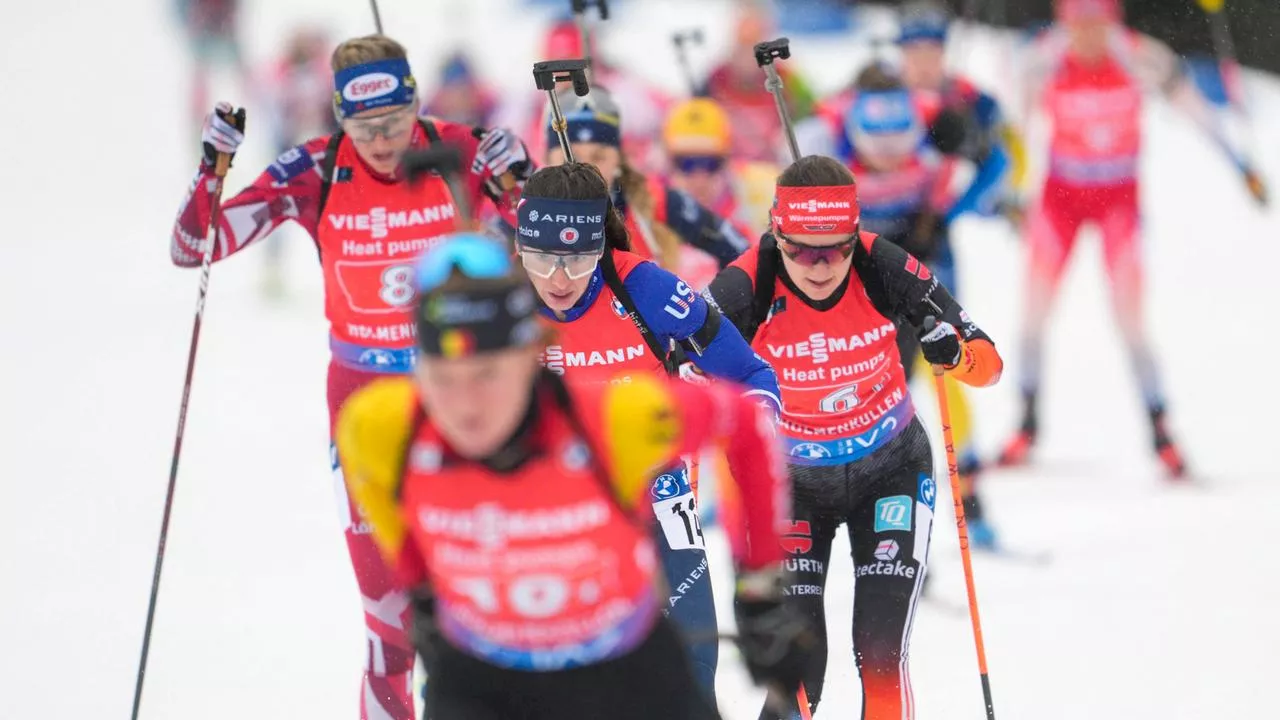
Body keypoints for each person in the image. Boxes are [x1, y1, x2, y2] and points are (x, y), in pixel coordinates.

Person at [171, 34, 534, 720]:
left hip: (467, 393)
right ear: (339, 117)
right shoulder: (315, 168)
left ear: (416, 103)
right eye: (364, 126)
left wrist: (519, 176)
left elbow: (551, 243)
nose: (383, 140)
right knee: (390, 625)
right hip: (366, 405)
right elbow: (198, 246)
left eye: (395, 121)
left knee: (485, 604)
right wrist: (212, 165)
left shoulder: (458, 146)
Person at [334, 233, 812, 719]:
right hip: (482, 681)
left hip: (621, 669)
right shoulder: (381, 427)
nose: (465, 405)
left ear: (530, 357)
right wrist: (424, 591)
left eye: (487, 375)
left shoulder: (611, 419)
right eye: (441, 377)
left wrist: (761, 589)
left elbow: (747, 426)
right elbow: (383, 496)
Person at [706, 154, 1003, 718]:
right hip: (792, 485)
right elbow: (676, 370)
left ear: (855, 235)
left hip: (889, 472)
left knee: (880, 653)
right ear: (775, 232)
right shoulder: (747, 284)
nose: (818, 266)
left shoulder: (884, 265)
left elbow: (988, 366)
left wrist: (954, 353)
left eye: (835, 249)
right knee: (796, 672)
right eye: (799, 250)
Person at [513, 162, 782, 699]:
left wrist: (756, 436)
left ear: (602, 248)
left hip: (658, 499)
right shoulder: (503, 303)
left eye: (577, 259)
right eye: (541, 259)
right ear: (519, 248)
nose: (558, 280)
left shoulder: (647, 290)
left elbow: (753, 376)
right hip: (551, 511)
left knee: (693, 665)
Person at [1000, 0, 1268, 476]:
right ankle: (1026, 423)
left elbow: (1197, 112)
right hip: (1060, 198)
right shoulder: (1043, 58)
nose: (1088, 37)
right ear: (1064, 23)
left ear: (1113, 22)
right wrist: (1012, 192)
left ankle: (1161, 430)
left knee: (1131, 319)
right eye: (1078, 26)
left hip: (1117, 201)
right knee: (1033, 311)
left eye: (1098, 26)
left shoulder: (1141, 55)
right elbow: (1017, 130)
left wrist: (1241, 165)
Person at [543, 86, 752, 286]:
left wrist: (714, 312)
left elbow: (743, 255)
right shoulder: (529, 212)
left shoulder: (653, 201)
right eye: (570, 158)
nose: (585, 170)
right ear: (547, 159)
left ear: (618, 158)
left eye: (599, 157)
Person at [494, 18, 673, 173]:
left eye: (570, 64)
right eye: (553, 64)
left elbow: (665, 119)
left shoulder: (620, 97)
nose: (562, 74)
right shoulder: (529, 108)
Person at [662, 97, 779, 289]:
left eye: (710, 163)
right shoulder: (650, 201)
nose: (699, 178)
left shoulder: (765, 187)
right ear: (667, 162)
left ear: (727, 159)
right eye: (686, 164)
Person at [257, 26, 338, 298]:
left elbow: (330, 110)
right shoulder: (283, 74)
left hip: (316, 148)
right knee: (279, 208)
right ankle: (273, 269)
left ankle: (333, 269)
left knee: (327, 212)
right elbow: (274, 110)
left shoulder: (321, 73)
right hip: (291, 147)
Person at [704, 2, 816, 164]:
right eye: (744, 44)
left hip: (776, 168)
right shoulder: (716, 79)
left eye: (754, 45)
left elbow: (812, 117)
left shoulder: (786, 78)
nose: (749, 56)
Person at [419, 51, 499, 127]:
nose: (456, 100)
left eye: (463, 94)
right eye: (450, 93)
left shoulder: (490, 109)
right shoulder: (429, 112)